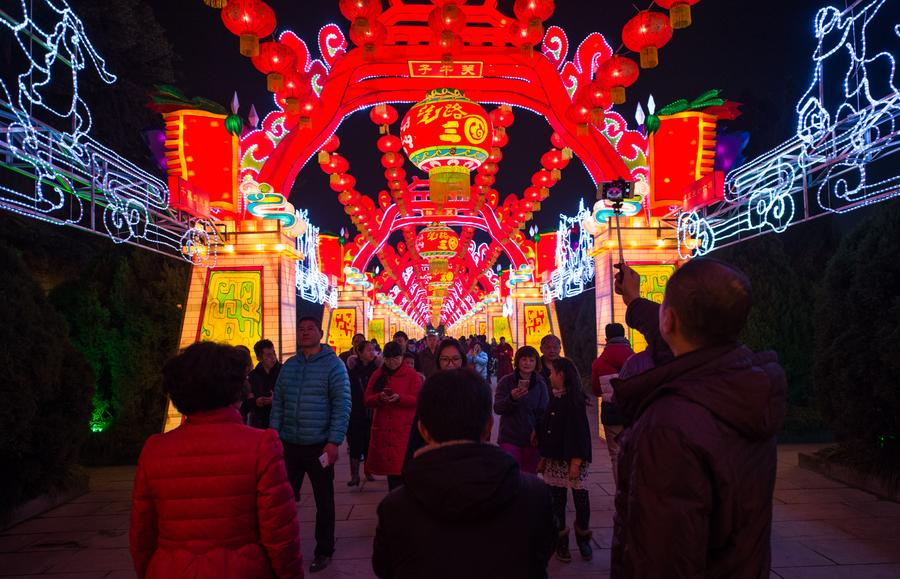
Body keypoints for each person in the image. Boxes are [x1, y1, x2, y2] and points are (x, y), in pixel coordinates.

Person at [610, 260, 787, 579]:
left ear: (670, 319)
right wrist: (635, 304)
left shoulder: (669, 426)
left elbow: (662, 559)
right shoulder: (745, 384)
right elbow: (684, 352)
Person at [130, 342, 301, 579]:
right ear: (235, 387)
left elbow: (142, 535)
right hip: (242, 569)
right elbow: (280, 534)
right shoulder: (262, 445)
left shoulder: (155, 449)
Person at [372, 369, 556, 579]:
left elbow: (384, 568)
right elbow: (543, 552)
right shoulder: (534, 494)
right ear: (489, 425)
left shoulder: (395, 507)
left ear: (423, 429)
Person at [271, 316, 351, 574]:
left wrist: (334, 441)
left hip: (319, 445)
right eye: (301, 329)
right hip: (289, 444)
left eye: (310, 329)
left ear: (320, 332)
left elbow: (342, 405)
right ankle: (281, 547)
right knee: (281, 499)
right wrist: (273, 435)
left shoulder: (334, 366)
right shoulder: (290, 366)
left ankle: (324, 550)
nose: (305, 333)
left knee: (324, 500)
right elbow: (279, 403)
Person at [537, 356, 593, 563]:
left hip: (573, 458)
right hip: (555, 457)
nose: (549, 376)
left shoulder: (575, 400)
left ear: (561, 375)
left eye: (552, 372)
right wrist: (543, 456)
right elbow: (548, 429)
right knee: (557, 502)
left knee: (581, 501)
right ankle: (561, 540)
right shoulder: (555, 396)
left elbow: (580, 433)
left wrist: (576, 462)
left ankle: (583, 537)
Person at [364, 342, 422, 490]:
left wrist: (400, 398)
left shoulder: (412, 375)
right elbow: (367, 399)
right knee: (393, 473)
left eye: (395, 358)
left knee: (405, 467)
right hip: (384, 429)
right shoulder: (378, 375)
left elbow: (418, 399)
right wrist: (379, 398)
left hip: (405, 430)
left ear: (402, 357)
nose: (392, 362)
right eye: (388, 359)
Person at [493, 345, 549, 474]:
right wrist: (511, 399)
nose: (527, 363)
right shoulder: (506, 382)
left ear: (536, 363)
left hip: (532, 440)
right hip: (509, 437)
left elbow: (544, 412)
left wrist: (539, 432)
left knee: (529, 478)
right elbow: (497, 408)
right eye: (524, 359)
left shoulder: (540, 384)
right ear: (518, 361)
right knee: (512, 475)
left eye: (531, 360)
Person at [590, 324, 634, 485]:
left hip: (612, 411)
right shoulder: (634, 357)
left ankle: (620, 490)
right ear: (625, 336)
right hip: (633, 411)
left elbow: (596, 391)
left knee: (616, 454)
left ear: (607, 339)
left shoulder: (599, 362)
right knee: (634, 451)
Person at [347, 339, 379, 487]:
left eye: (373, 349)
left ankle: (368, 470)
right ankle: (354, 475)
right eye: (368, 350)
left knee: (369, 442)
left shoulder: (377, 370)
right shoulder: (352, 371)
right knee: (355, 443)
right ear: (359, 353)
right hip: (355, 412)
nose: (372, 352)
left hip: (371, 411)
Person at [240, 339, 281, 429]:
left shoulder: (284, 371)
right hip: (259, 422)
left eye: (274, 353)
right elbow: (246, 401)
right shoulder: (252, 376)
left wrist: (275, 400)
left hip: (280, 420)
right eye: (268, 355)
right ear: (259, 358)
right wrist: (256, 401)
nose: (273, 357)